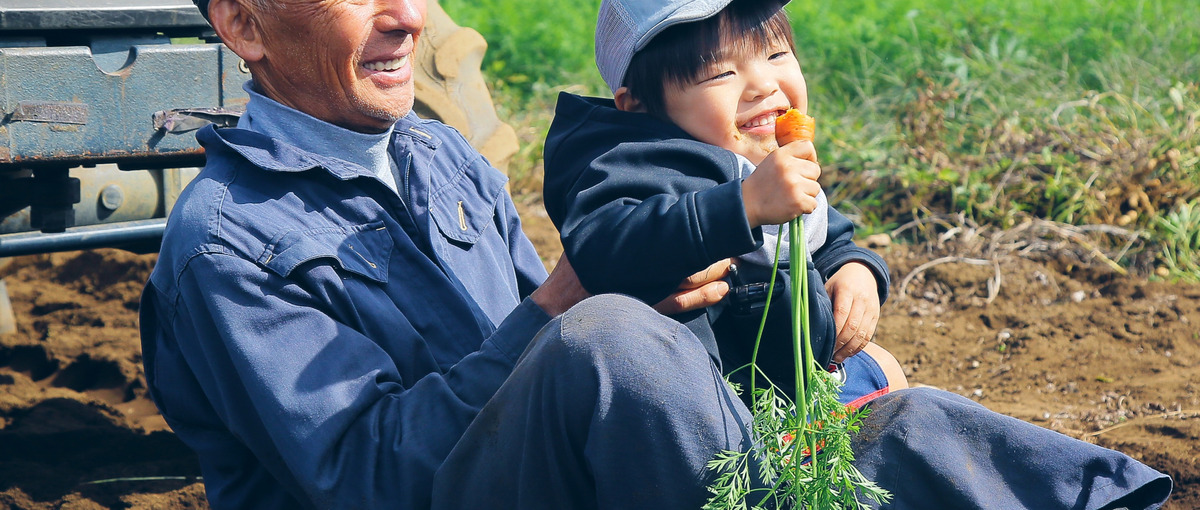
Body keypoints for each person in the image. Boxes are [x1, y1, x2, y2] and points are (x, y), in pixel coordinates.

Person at [139, 0, 1172, 509]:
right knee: (609, 343)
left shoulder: (433, 154)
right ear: (241, 20)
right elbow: (365, 479)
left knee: (893, 419)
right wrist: (561, 310)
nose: (408, 16)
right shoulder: (225, 246)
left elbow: (529, 341)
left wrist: (815, 348)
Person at [542, 0, 906, 408]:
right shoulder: (635, 164)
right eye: (721, 73)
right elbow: (604, 249)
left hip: (794, 381)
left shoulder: (763, 163)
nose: (764, 85)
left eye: (776, 54)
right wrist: (744, 206)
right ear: (639, 105)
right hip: (706, 408)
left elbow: (830, 238)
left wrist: (856, 271)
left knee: (890, 372)